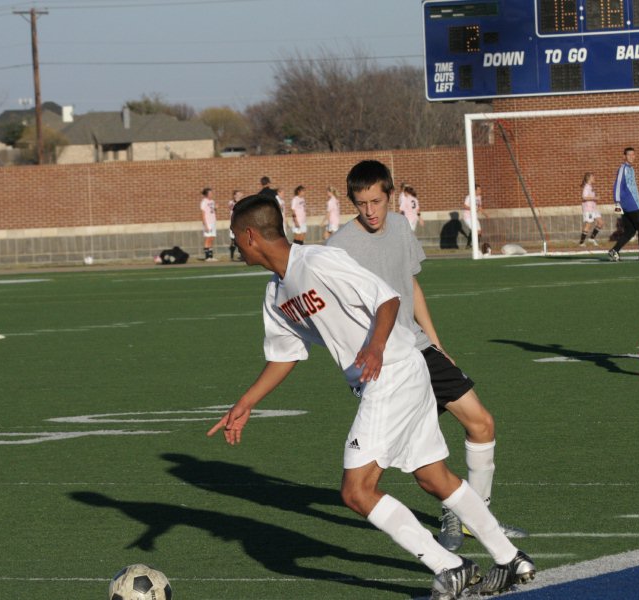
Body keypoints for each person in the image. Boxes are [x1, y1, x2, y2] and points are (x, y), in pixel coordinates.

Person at [208, 194, 535, 599]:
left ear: (250, 235)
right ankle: (510, 558)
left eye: (234, 236)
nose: (234, 244)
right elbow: (285, 355)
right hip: (394, 376)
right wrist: (246, 403)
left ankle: (450, 567)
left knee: (356, 490)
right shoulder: (276, 294)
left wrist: (377, 346)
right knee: (432, 477)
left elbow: (387, 297)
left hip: (393, 371)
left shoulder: (318, 261)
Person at [327, 159, 528, 554]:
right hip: (385, 366)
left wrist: (437, 344)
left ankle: (472, 517)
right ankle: (447, 527)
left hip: (419, 349)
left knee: (482, 423)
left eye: (376, 201)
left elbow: (411, 286)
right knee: (393, 471)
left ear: (390, 195)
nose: (369, 211)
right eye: (361, 203)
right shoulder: (338, 248)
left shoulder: (401, 226)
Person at [608, 147, 639, 261]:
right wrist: (617, 202)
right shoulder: (623, 169)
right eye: (629, 155)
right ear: (624, 156)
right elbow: (617, 185)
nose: (632, 156)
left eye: (633, 154)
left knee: (630, 231)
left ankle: (614, 250)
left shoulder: (631, 169)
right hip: (630, 204)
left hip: (634, 203)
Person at [578, 172, 604, 246]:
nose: (594, 178)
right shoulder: (586, 187)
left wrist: (595, 198)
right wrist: (595, 198)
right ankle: (581, 242)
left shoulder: (590, 187)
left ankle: (592, 238)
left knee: (601, 223)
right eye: (593, 177)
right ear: (589, 178)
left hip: (594, 208)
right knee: (588, 225)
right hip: (588, 209)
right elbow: (584, 197)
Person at [462, 184, 487, 251]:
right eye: (479, 189)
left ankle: (470, 245)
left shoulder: (479, 197)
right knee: (475, 231)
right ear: (475, 190)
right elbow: (464, 206)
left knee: (479, 232)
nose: (480, 190)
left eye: (480, 189)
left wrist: (485, 214)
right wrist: (473, 208)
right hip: (468, 217)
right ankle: (475, 247)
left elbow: (480, 207)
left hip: (474, 217)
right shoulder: (469, 197)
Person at [200, 187, 217, 262]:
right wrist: (205, 225)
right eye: (210, 193)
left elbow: (212, 211)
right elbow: (203, 214)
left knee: (212, 238)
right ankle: (207, 257)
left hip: (213, 222)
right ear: (207, 194)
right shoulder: (204, 202)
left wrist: (215, 208)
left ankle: (211, 256)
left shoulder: (212, 201)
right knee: (208, 239)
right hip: (208, 222)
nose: (212, 194)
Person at [228, 190, 244, 260]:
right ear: (234, 195)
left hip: (240, 224)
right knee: (233, 240)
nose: (238, 196)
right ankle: (231, 256)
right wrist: (238, 200)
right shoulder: (231, 202)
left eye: (239, 194)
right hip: (234, 224)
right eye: (237, 194)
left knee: (241, 240)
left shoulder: (242, 202)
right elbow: (233, 208)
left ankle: (242, 255)